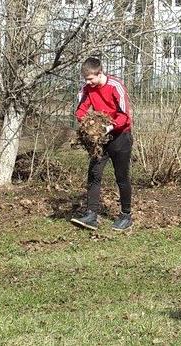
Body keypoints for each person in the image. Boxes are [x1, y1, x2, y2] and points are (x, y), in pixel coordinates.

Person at [70, 57, 134, 231]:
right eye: (86, 79)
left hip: (120, 135)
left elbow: (125, 115)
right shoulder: (87, 88)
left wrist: (109, 127)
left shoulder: (116, 86)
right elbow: (81, 110)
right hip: (101, 138)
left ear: (100, 73)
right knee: (94, 173)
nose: (88, 82)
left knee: (121, 177)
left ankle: (126, 215)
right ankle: (91, 214)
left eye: (91, 79)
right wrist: (89, 126)